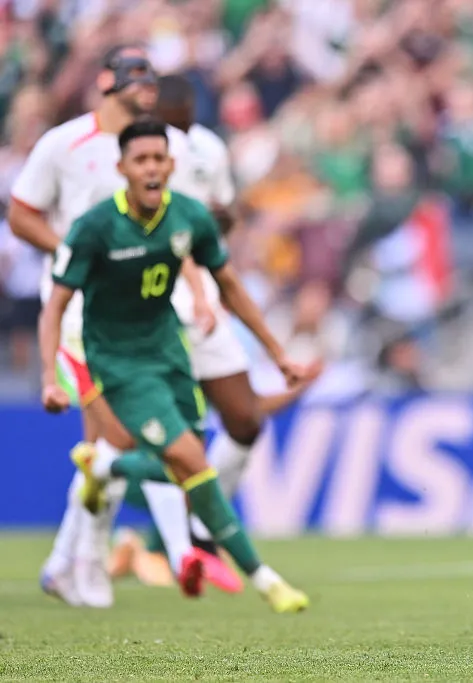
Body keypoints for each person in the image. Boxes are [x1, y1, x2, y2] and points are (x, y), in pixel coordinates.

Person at [38, 118, 311, 613]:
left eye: (158, 159)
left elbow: (230, 285)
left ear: (171, 165)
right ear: (121, 168)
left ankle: (106, 465)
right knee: (193, 460)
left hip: (169, 351)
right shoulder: (96, 227)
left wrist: (276, 352)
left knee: (180, 466)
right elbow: (55, 305)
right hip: (119, 364)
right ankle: (265, 579)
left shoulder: (188, 217)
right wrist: (47, 378)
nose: (151, 169)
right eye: (140, 160)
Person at [103, 74, 320, 592]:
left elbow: (215, 231)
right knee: (178, 442)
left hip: (204, 306)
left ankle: (182, 534)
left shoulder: (206, 151)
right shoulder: (127, 171)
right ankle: (158, 536)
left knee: (242, 419)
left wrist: (277, 354)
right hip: (154, 314)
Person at [8, 45, 203, 607]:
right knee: (120, 435)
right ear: (106, 83)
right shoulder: (63, 144)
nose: (145, 85)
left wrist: (192, 286)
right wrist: (72, 253)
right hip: (77, 313)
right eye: (133, 76)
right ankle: (101, 560)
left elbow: (176, 222)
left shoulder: (166, 146)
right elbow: (22, 212)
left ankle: (66, 562)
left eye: (150, 77)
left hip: (143, 313)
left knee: (111, 443)